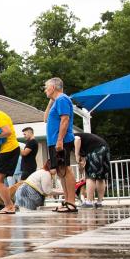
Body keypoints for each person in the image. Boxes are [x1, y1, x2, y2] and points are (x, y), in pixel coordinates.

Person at [43, 77, 77, 213]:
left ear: (53, 87)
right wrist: (51, 99)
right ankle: (67, 201)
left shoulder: (62, 99)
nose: (45, 90)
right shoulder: (57, 101)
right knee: (60, 171)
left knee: (66, 169)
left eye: (46, 87)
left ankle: (72, 202)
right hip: (54, 140)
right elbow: (45, 119)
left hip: (60, 140)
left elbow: (65, 120)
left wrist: (59, 140)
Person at [74, 131, 110, 208]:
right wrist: (80, 164)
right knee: (101, 177)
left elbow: (77, 139)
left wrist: (76, 155)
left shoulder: (69, 137)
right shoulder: (84, 143)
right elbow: (83, 160)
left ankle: (89, 201)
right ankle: (99, 202)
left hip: (95, 150)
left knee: (91, 176)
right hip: (104, 147)